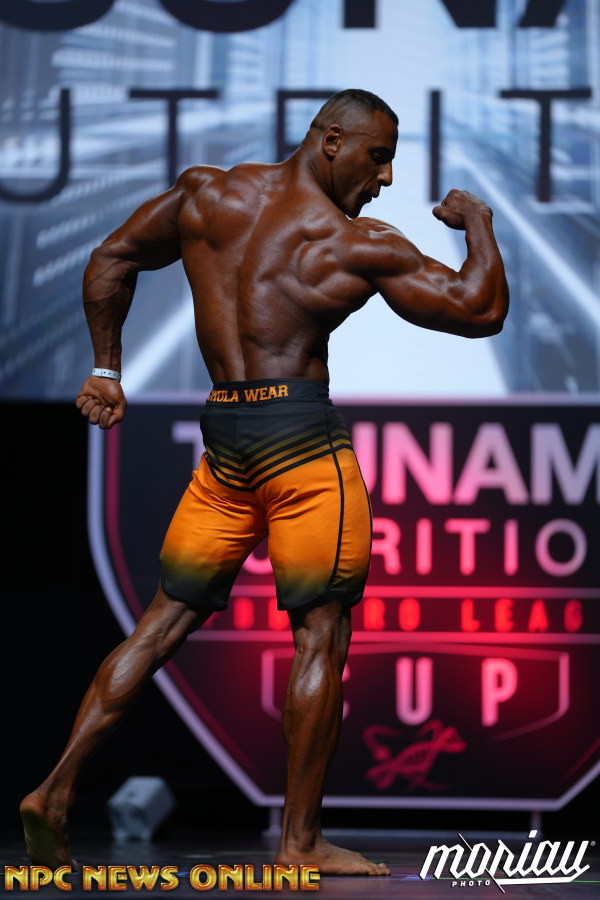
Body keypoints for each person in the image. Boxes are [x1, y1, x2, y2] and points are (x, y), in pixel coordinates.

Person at [20, 89, 508, 876]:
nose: (384, 179)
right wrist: (478, 222)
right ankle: (300, 842)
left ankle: (54, 789)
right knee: (321, 636)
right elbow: (478, 309)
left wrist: (107, 368)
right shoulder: (353, 242)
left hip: (227, 445)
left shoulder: (206, 196)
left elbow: (111, 257)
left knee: (159, 624)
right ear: (331, 141)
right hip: (303, 447)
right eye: (378, 157)